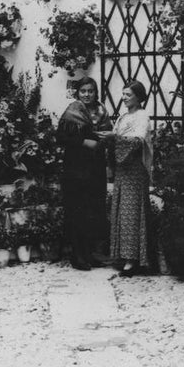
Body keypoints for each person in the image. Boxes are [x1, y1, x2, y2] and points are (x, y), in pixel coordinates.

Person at [56, 76, 112, 270]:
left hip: (96, 167)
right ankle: (77, 256)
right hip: (76, 167)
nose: (87, 95)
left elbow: (108, 133)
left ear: (96, 92)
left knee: (93, 210)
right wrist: (83, 142)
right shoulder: (73, 110)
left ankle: (89, 254)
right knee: (77, 210)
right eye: (83, 91)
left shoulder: (101, 111)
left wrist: (103, 141)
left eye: (91, 91)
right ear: (77, 93)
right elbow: (61, 137)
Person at [99, 80, 154, 276]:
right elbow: (117, 137)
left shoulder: (142, 117)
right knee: (120, 210)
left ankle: (133, 259)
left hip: (134, 169)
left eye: (128, 95)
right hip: (123, 169)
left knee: (132, 211)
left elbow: (138, 141)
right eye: (123, 94)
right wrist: (110, 138)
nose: (124, 98)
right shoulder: (123, 116)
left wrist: (114, 139)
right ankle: (122, 255)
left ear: (139, 97)